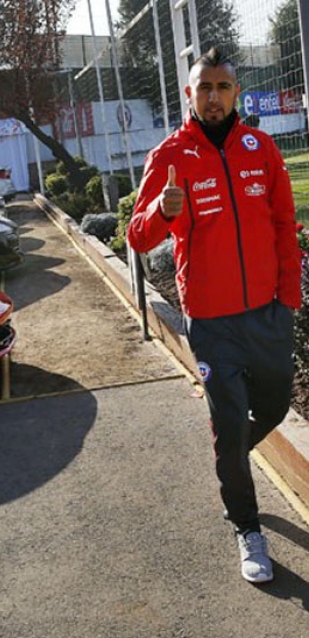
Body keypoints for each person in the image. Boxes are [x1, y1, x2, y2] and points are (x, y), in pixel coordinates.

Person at [127, 47, 302, 584]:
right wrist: (162, 210)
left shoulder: (261, 148)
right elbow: (137, 235)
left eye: (223, 87)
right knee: (229, 422)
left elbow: (283, 225)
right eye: (204, 87)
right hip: (212, 322)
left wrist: (288, 302)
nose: (214, 96)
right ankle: (247, 526)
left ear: (236, 93)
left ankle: (231, 460)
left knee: (271, 405)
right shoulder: (170, 155)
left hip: (267, 315)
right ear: (189, 94)